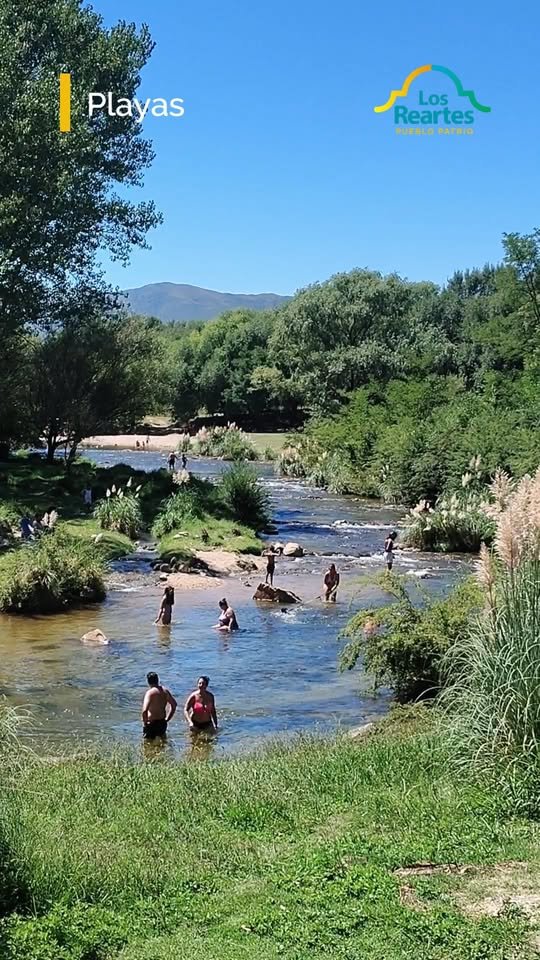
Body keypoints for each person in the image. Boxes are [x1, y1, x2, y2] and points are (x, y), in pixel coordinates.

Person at [142, 671, 177, 739]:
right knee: (162, 742)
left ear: (148, 682)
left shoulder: (150, 693)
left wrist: (145, 723)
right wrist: (167, 719)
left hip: (151, 723)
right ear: (158, 680)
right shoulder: (165, 691)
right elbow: (174, 705)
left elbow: (144, 711)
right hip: (162, 722)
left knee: (148, 745)